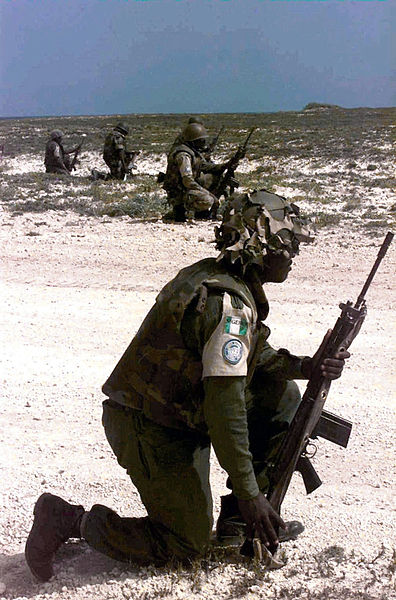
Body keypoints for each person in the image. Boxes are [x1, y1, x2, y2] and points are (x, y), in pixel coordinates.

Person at [25, 189, 350, 582]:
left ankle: (235, 527)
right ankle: (68, 519)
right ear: (261, 248)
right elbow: (224, 409)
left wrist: (305, 366)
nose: (294, 254)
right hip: (150, 427)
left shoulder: (218, 278)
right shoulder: (226, 304)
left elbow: (253, 356)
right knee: (185, 545)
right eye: (288, 244)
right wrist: (250, 493)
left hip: (180, 410)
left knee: (282, 396)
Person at [162, 122, 232, 222]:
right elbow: (187, 181)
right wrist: (209, 194)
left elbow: (205, 166)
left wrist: (226, 165)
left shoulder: (193, 152)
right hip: (178, 192)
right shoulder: (184, 155)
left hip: (184, 188)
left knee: (214, 178)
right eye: (201, 140)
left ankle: (200, 212)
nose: (204, 143)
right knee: (208, 200)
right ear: (193, 141)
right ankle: (180, 210)